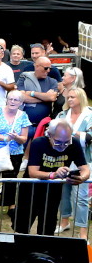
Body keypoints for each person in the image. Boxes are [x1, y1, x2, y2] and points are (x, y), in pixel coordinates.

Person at [13, 118, 90, 236]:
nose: (63, 146)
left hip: (53, 192)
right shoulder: (38, 143)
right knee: (22, 228)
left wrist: (81, 178)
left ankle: (44, 253)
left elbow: (85, 168)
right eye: (58, 142)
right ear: (49, 135)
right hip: (31, 190)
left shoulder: (74, 143)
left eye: (66, 142)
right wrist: (54, 174)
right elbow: (33, 172)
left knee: (47, 230)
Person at [55, 88, 92, 238]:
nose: (69, 99)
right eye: (68, 97)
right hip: (63, 159)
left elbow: (89, 138)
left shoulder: (89, 115)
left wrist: (69, 132)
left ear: (81, 98)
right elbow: (52, 131)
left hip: (84, 160)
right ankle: (64, 221)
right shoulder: (62, 114)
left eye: (73, 97)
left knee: (81, 196)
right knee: (64, 193)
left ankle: (83, 231)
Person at [0, 90, 31, 214]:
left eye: (16, 100)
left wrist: (16, 137)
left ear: (21, 102)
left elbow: (24, 139)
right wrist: (5, 138)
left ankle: (10, 204)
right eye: (10, 99)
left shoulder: (23, 116)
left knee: (11, 178)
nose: (12, 101)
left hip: (15, 152)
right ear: (6, 99)